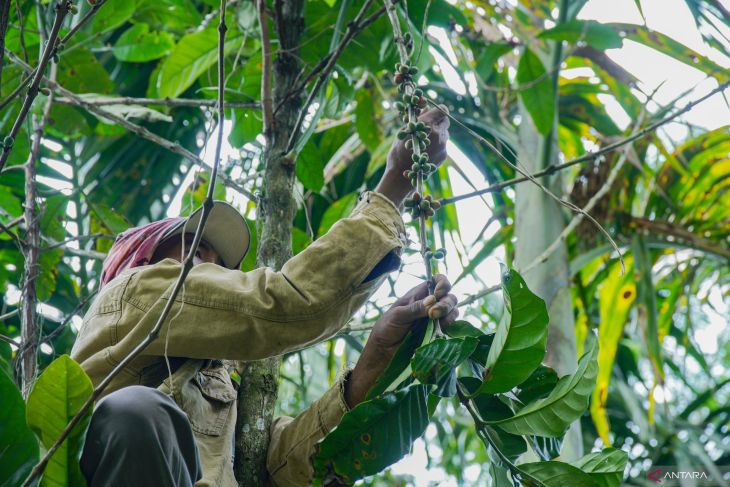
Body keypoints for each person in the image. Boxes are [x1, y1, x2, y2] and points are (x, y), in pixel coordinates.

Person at [70, 107, 458, 487]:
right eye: (193, 247)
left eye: (221, 263)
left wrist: (380, 352)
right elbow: (283, 303)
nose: (210, 265)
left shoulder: (219, 389)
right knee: (135, 413)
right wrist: (394, 185)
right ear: (140, 259)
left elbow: (295, 464)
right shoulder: (133, 292)